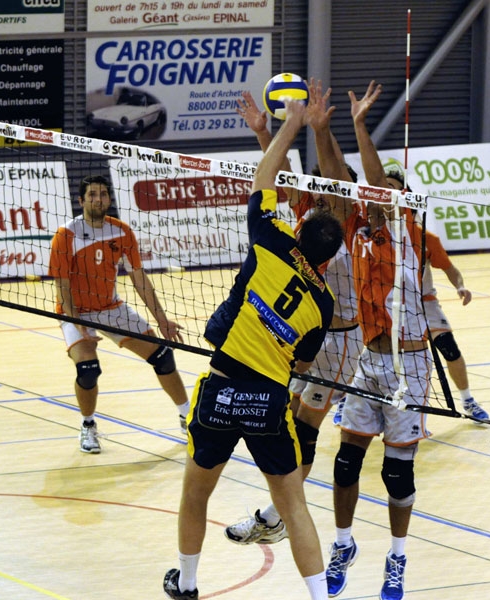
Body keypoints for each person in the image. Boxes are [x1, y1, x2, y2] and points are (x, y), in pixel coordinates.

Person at [163, 97, 344, 600]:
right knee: (293, 506)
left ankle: (188, 583)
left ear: (300, 229)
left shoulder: (271, 240)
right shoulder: (324, 304)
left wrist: (287, 127)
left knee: (196, 494)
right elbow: (302, 363)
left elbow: (264, 180)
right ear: (328, 259)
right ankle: (321, 597)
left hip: (221, 388)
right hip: (267, 400)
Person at [222, 87, 364, 546]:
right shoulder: (313, 215)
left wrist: (320, 130)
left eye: (327, 185)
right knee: (286, 421)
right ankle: (279, 511)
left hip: (340, 340)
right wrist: (266, 133)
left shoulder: (347, 218)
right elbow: (280, 179)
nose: (318, 190)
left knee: (304, 430)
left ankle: (275, 517)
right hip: (306, 337)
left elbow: (335, 176)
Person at [314, 80, 432, 600]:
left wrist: (360, 126)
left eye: (387, 190)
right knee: (345, 463)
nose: (380, 194)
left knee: (397, 477)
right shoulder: (357, 225)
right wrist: (323, 128)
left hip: (409, 366)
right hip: (369, 360)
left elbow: (374, 178)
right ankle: (344, 543)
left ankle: (397, 558)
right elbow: (342, 179)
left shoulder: (408, 230)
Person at [48, 174, 190, 453]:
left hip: (111, 307)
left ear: (109, 199)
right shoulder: (66, 235)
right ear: (81, 200)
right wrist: (79, 327)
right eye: (91, 195)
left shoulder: (122, 232)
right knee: (88, 370)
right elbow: (62, 285)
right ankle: (88, 426)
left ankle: (188, 416)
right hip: (75, 311)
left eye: (102, 194)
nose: (97, 199)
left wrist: (162, 321)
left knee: (163, 355)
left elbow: (139, 278)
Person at [381, 161, 490, 423]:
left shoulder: (424, 237)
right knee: (376, 354)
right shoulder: (374, 234)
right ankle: (351, 400)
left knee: (449, 349)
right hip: (387, 304)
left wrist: (460, 285)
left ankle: (467, 400)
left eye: (392, 188)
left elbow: (451, 269)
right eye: (382, 189)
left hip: (423, 303)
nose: (387, 194)